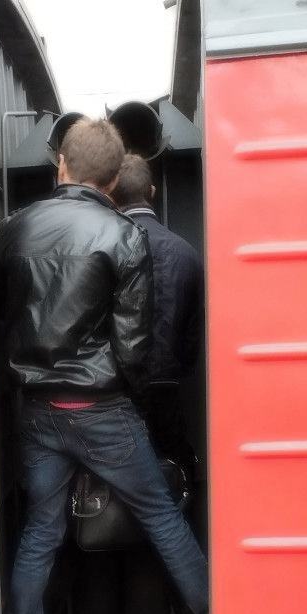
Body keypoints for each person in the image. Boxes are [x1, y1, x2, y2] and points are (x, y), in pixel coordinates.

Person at [0, 119, 210, 614]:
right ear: (113, 180)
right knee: (163, 518)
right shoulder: (123, 236)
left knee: (41, 529)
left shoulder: (14, 229)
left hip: (37, 408)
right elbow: (133, 345)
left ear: (60, 165)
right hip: (101, 407)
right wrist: (130, 402)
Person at [113, 153, 204, 463]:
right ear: (151, 192)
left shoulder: (106, 247)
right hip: (169, 384)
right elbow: (193, 332)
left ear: (111, 194)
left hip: (116, 389)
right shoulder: (186, 251)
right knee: (173, 460)